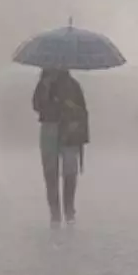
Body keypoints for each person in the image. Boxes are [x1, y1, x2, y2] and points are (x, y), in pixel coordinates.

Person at [33, 68, 89, 226]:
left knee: (70, 172)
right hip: (49, 128)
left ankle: (69, 209)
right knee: (50, 172)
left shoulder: (73, 86)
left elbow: (82, 110)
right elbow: (36, 106)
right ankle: (55, 211)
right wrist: (45, 87)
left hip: (69, 131)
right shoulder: (43, 84)